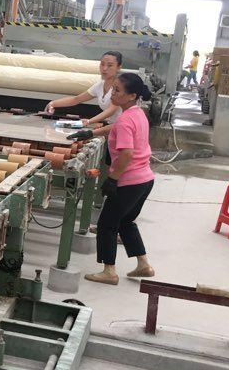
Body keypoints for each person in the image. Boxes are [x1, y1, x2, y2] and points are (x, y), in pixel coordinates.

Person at [84, 72, 155, 286]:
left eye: (117, 90)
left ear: (131, 96)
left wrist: (112, 179)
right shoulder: (137, 113)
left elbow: (126, 153)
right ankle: (143, 264)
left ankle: (109, 272)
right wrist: (91, 133)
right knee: (125, 221)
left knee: (106, 224)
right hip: (145, 180)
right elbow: (115, 128)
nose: (112, 94)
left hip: (129, 182)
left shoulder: (125, 120)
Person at [45, 51, 122, 127]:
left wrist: (89, 121)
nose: (104, 68)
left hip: (123, 125)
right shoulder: (100, 85)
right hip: (113, 125)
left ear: (118, 68)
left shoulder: (120, 86)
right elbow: (77, 99)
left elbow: (111, 111)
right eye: (102, 64)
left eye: (110, 65)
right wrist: (53, 103)